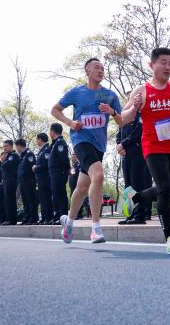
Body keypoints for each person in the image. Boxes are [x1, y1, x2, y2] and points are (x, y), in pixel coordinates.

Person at [122, 47, 170, 256]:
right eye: (163, 62)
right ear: (151, 65)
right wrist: (134, 107)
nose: (167, 67)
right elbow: (124, 118)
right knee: (164, 188)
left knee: (167, 191)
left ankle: (134, 197)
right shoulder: (141, 91)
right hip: (152, 145)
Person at [52, 57, 122, 244]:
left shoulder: (110, 95)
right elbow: (55, 110)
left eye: (103, 68)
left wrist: (112, 112)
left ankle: (68, 223)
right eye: (97, 67)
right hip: (81, 141)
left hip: (99, 145)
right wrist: (70, 123)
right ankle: (96, 229)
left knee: (82, 187)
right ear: (87, 71)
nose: (101, 71)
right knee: (98, 175)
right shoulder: (77, 92)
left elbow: (122, 121)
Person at [116, 106, 152, 224]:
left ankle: (140, 215)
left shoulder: (141, 115)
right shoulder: (125, 116)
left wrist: (123, 144)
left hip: (138, 154)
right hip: (125, 155)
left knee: (138, 185)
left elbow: (138, 133)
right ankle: (130, 214)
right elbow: (119, 133)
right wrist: (119, 145)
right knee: (128, 186)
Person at [48, 123, 70, 225]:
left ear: (53, 131)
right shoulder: (55, 143)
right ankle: (57, 216)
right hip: (54, 173)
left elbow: (63, 159)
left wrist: (65, 170)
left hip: (59, 173)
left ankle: (63, 217)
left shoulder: (60, 143)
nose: (49, 133)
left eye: (50, 131)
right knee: (56, 195)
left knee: (60, 195)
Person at [15, 139, 38, 225]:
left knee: (31, 199)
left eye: (16, 146)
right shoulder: (22, 155)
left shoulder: (29, 154)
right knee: (25, 200)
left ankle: (33, 218)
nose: (16, 149)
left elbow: (32, 168)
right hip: (22, 181)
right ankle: (27, 217)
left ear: (20, 146)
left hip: (29, 181)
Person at [33, 133, 54, 224]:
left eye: (36, 139)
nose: (36, 141)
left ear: (40, 139)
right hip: (41, 178)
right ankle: (44, 217)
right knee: (42, 198)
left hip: (45, 178)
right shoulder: (42, 150)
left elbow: (46, 164)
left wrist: (36, 167)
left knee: (46, 198)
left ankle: (48, 218)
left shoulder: (46, 150)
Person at [0, 140, 20, 225]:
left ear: (11, 146)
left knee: (10, 200)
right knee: (7, 200)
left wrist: (2, 161)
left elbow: (5, 166)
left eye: (6, 146)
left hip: (11, 180)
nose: (4, 148)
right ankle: (9, 219)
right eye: (3, 146)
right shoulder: (7, 156)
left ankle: (12, 220)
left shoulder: (13, 155)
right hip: (7, 180)